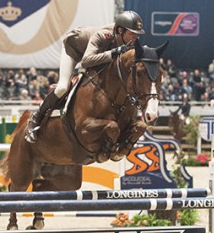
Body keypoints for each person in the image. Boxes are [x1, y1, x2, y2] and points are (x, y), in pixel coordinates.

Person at [25, 10, 145, 143]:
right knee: (62, 88)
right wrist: (114, 52)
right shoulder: (104, 35)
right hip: (75, 49)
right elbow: (86, 61)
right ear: (120, 31)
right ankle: (36, 118)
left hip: (97, 56)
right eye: (132, 34)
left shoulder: (127, 42)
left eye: (137, 35)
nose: (135, 38)